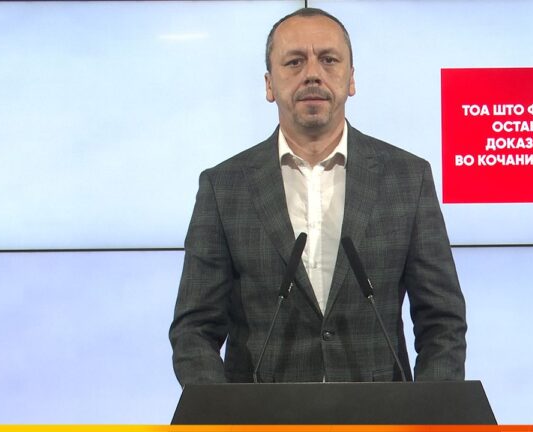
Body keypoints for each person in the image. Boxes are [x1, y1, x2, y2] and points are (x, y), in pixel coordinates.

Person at [169, 7, 466, 384]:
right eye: (294, 62)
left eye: (328, 59)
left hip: (380, 411)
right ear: (269, 85)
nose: (312, 73)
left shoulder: (407, 177)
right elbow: (194, 330)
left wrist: (429, 411)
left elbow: (443, 322)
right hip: (261, 412)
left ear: (351, 79)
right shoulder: (224, 186)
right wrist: (223, 411)